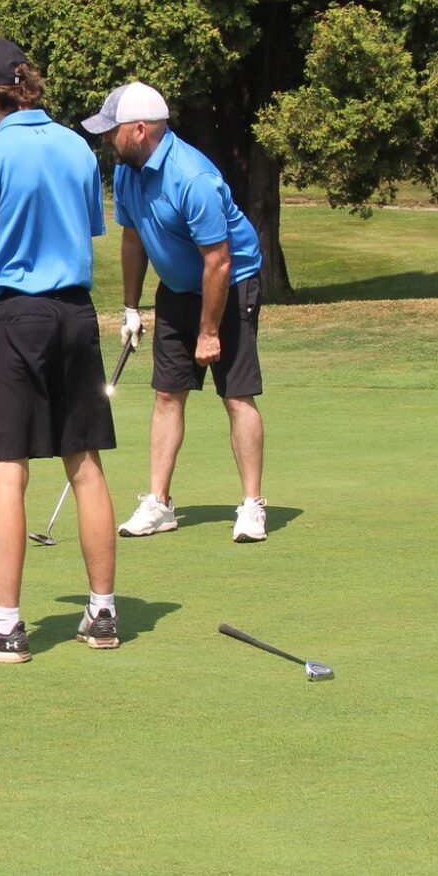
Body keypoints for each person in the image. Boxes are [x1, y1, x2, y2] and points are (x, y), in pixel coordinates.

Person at [0, 38, 120, 664]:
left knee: (7, 469)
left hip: (15, 315)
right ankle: (102, 614)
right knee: (84, 461)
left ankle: (5, 627)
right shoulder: (77, 147)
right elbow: (87, 231)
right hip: (76, 314)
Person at [82, 82, 269, 543]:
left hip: (231, 281)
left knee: (236, 394)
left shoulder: (192, 177)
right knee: (167, 393)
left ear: (141, 130)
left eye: (112, 131)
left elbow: (219, 260)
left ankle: (251, 506)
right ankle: (159, 503)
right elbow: (133, 238)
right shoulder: (128, 170)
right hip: (178, 287)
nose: (106, 140)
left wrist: (208, 331)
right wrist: (130, 306)